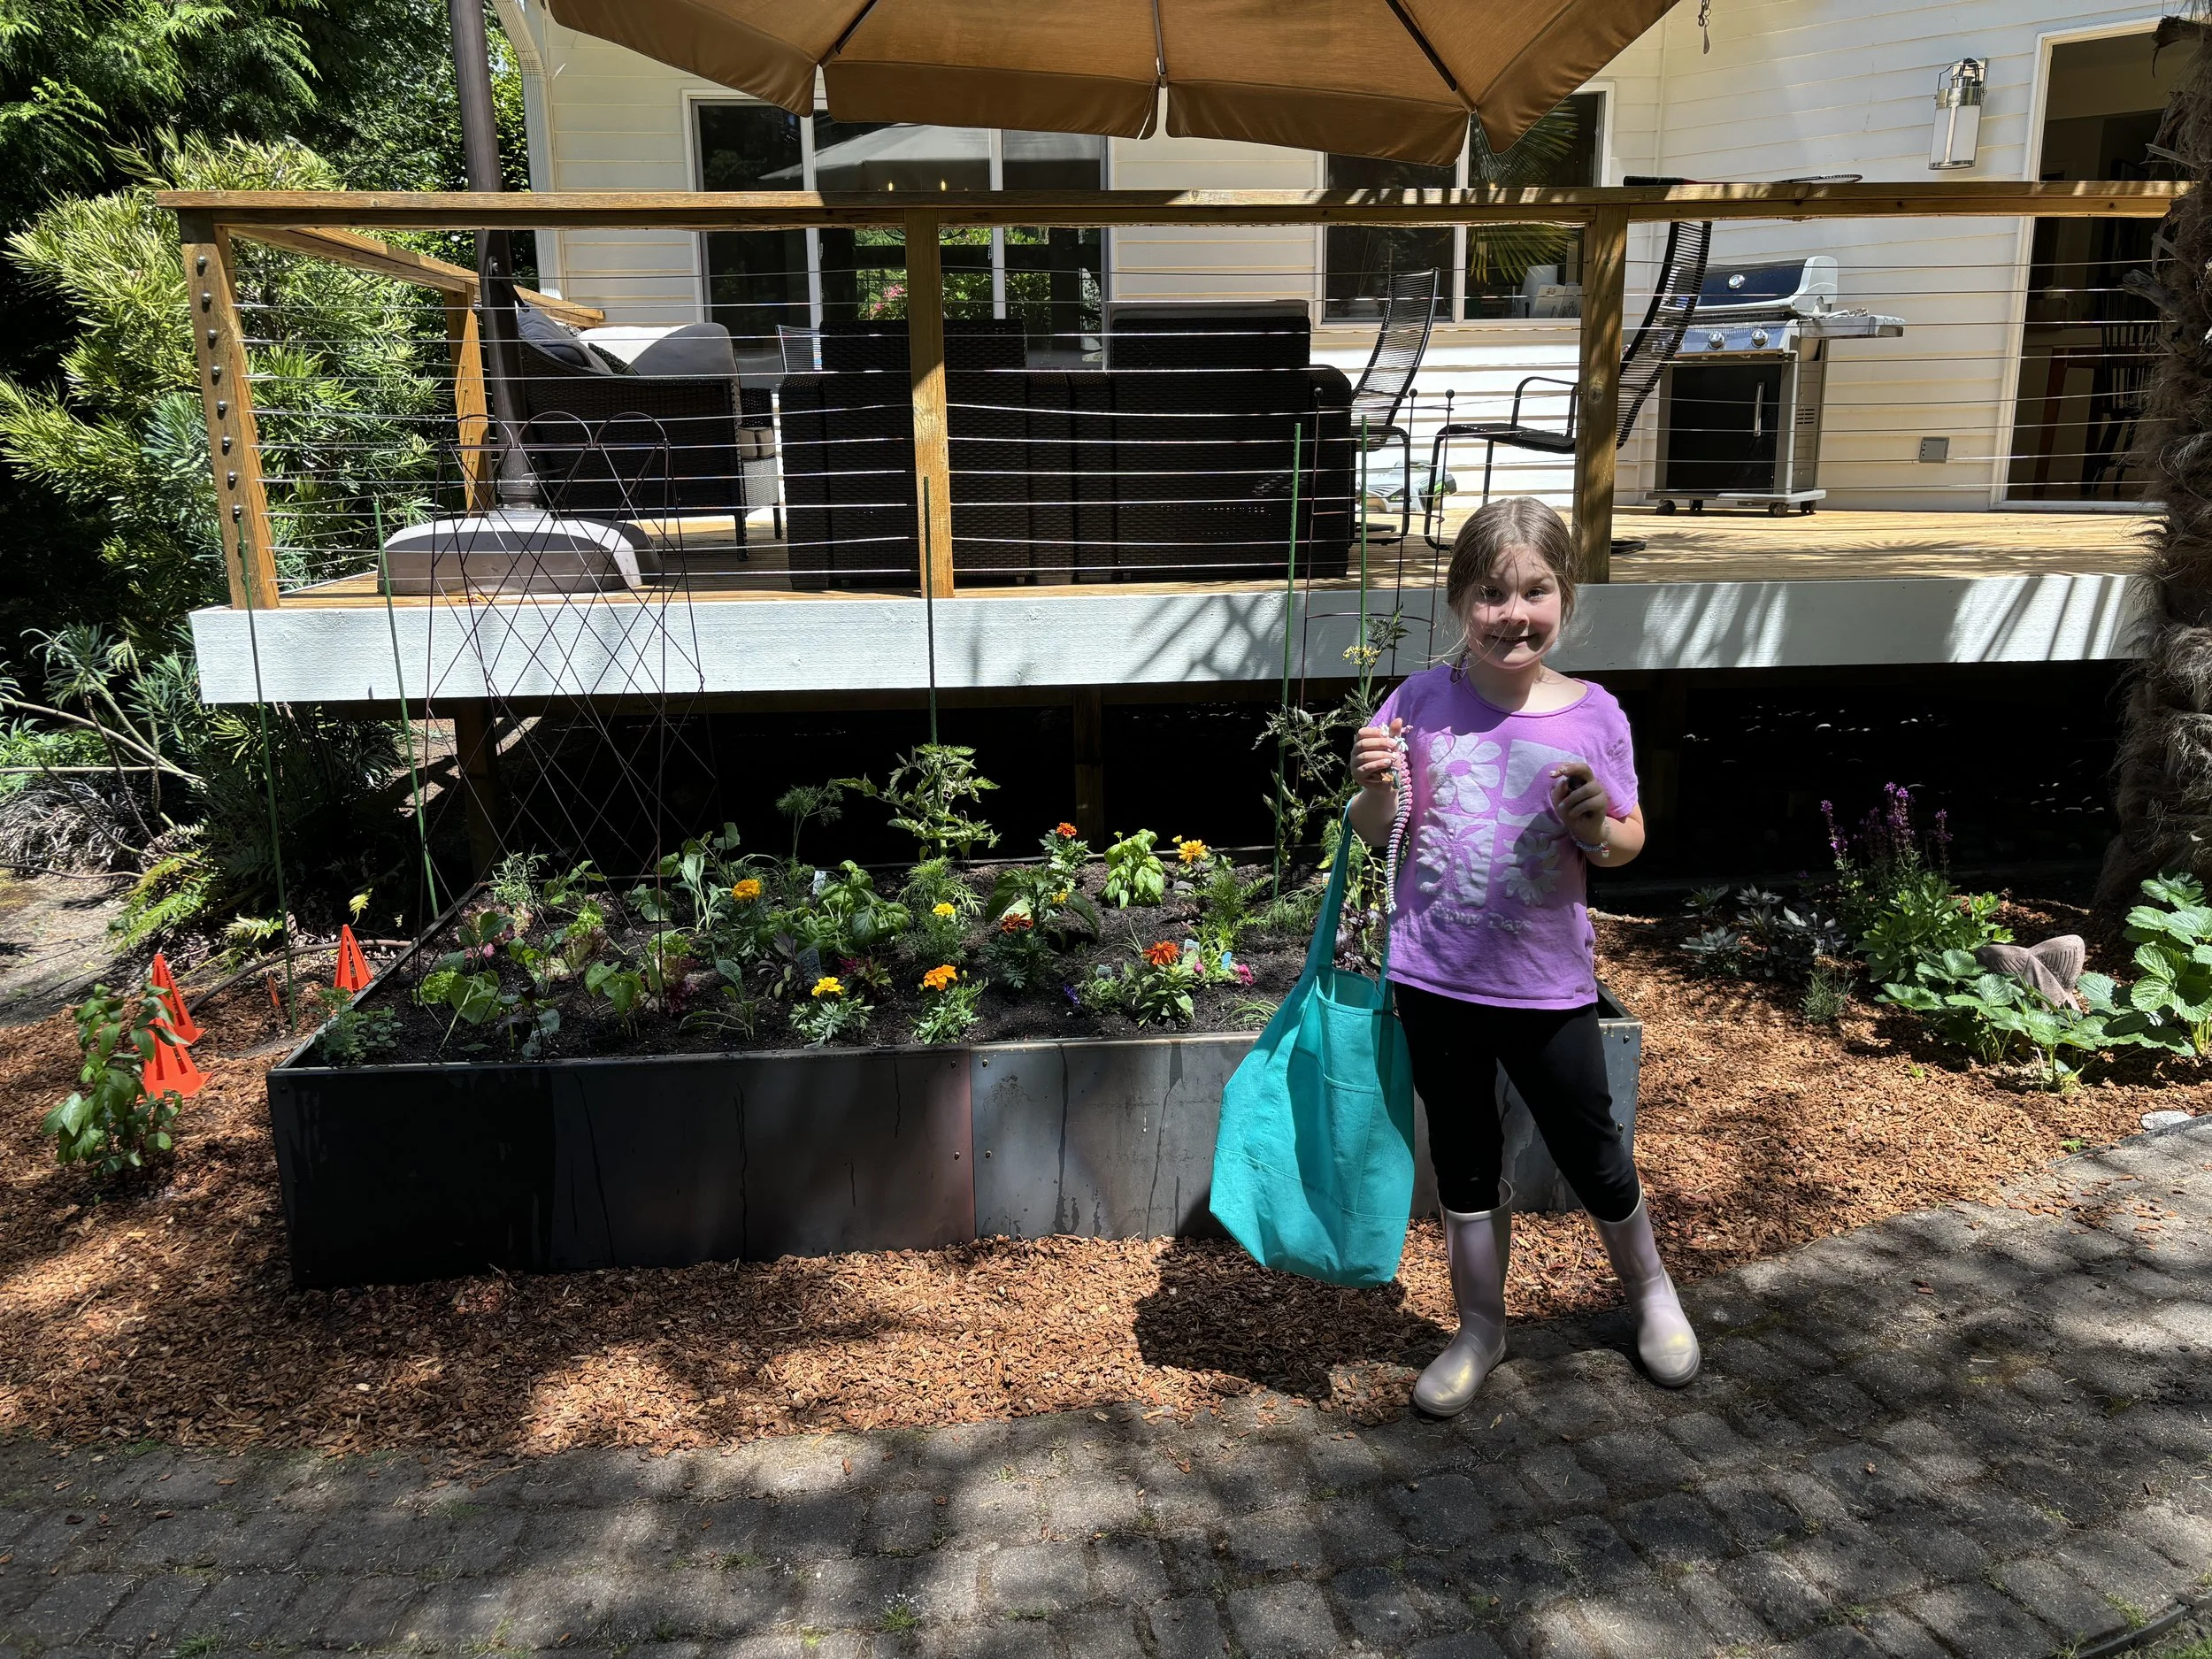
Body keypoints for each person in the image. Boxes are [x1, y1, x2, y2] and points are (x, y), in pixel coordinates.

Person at [1348, 496, 1698, 1417]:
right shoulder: (1419, 703)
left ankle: (1651, 1292)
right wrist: (1372, 786)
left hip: (1546, 986)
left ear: (1564, 596)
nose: (1513, 614)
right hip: (1435, 977)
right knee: (1464, 1157)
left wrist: (1594, 824)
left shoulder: (1594, 715)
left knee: (1592, 1147)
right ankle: (1479, 1328)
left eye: (1534, 591)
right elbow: (1378, 829)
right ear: (1460, 601)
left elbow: (1626, 839)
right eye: (1491, 594)